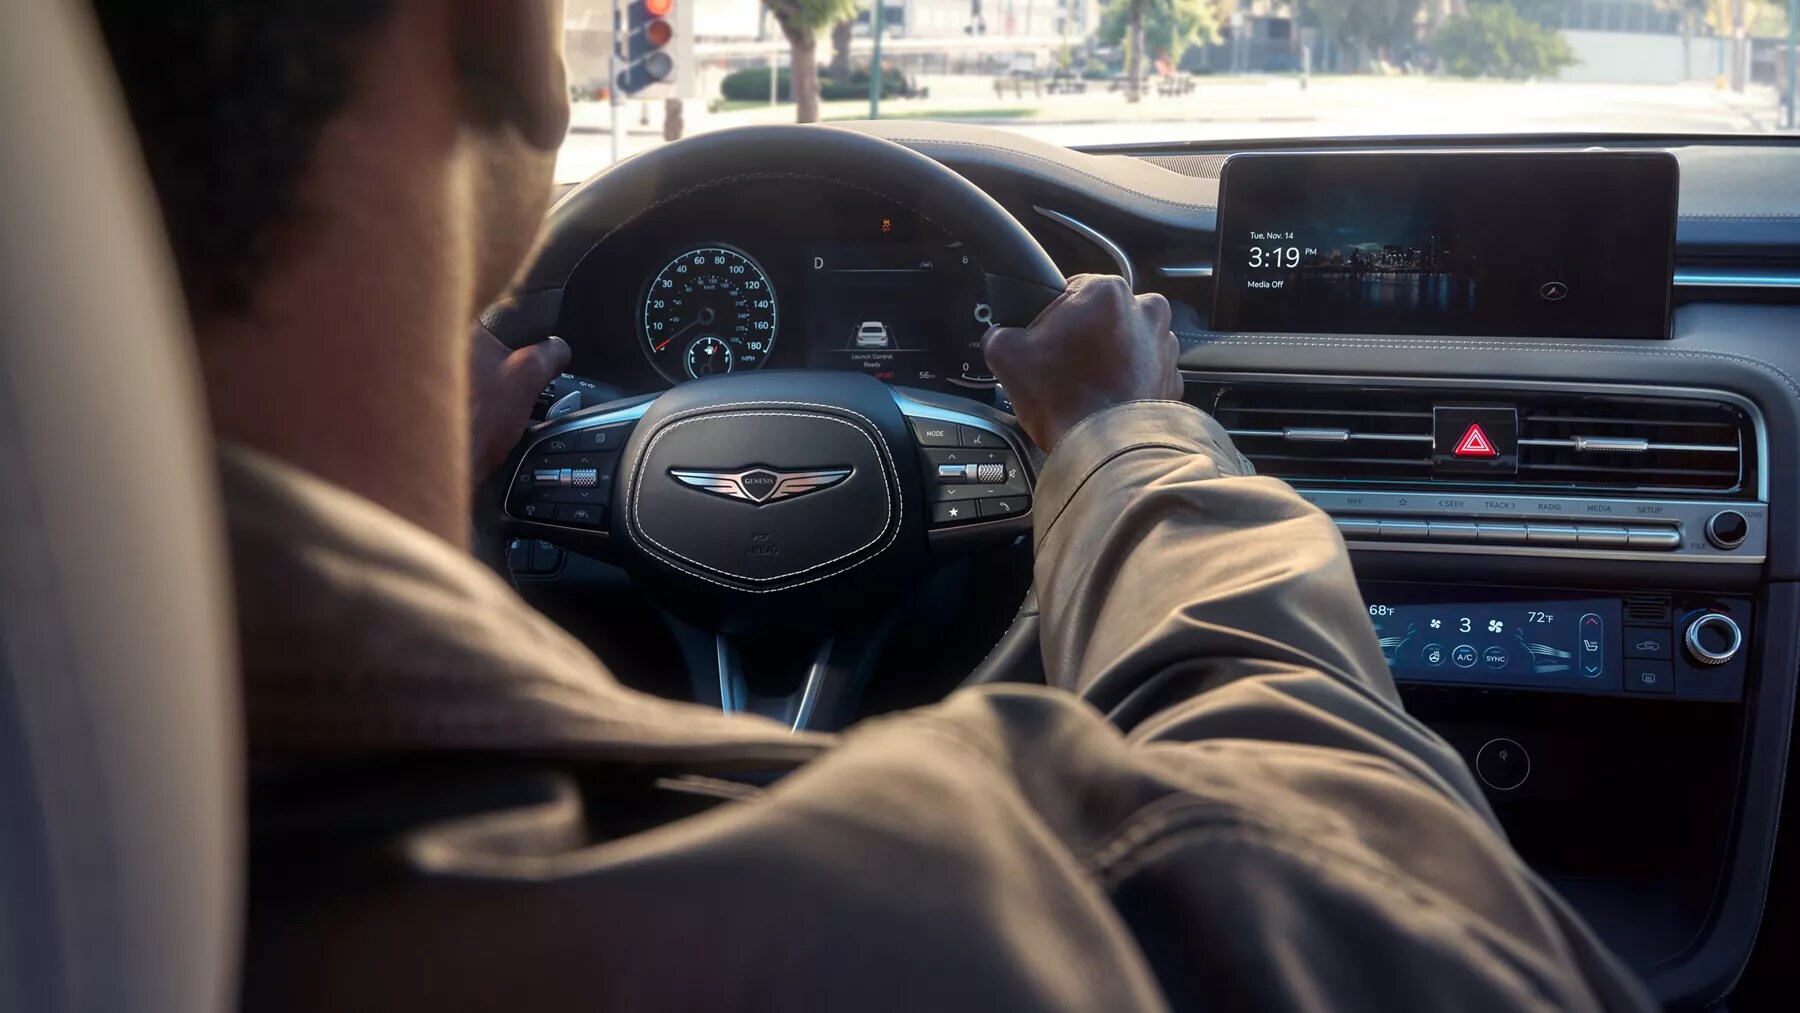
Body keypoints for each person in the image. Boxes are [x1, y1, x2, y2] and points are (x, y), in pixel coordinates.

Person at [91, 2, 1655, 1010]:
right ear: (506, 39)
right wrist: (1121, 439)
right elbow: (1446, 936)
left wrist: (446, 512)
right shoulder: (948, 934)